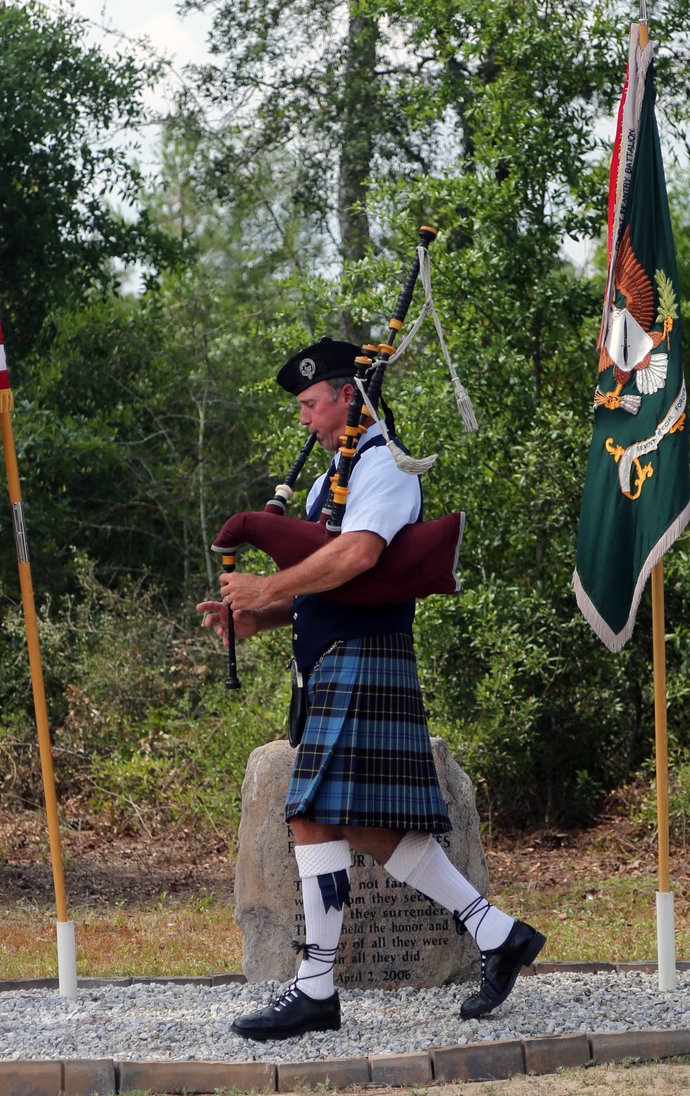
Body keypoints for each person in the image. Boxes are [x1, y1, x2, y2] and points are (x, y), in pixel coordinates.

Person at [197, 338, 545, 1041]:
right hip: (338, 656)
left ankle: (316, 990)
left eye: (310, 403)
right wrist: (256, 617)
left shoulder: (385, 466)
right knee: (360, 824)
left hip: (365, 657)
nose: (304, 419)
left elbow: (359, 559)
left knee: (311, 813)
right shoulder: (339, 474)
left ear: (347, 396)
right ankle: (498, 934)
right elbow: (326, 585)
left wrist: (268, 582)